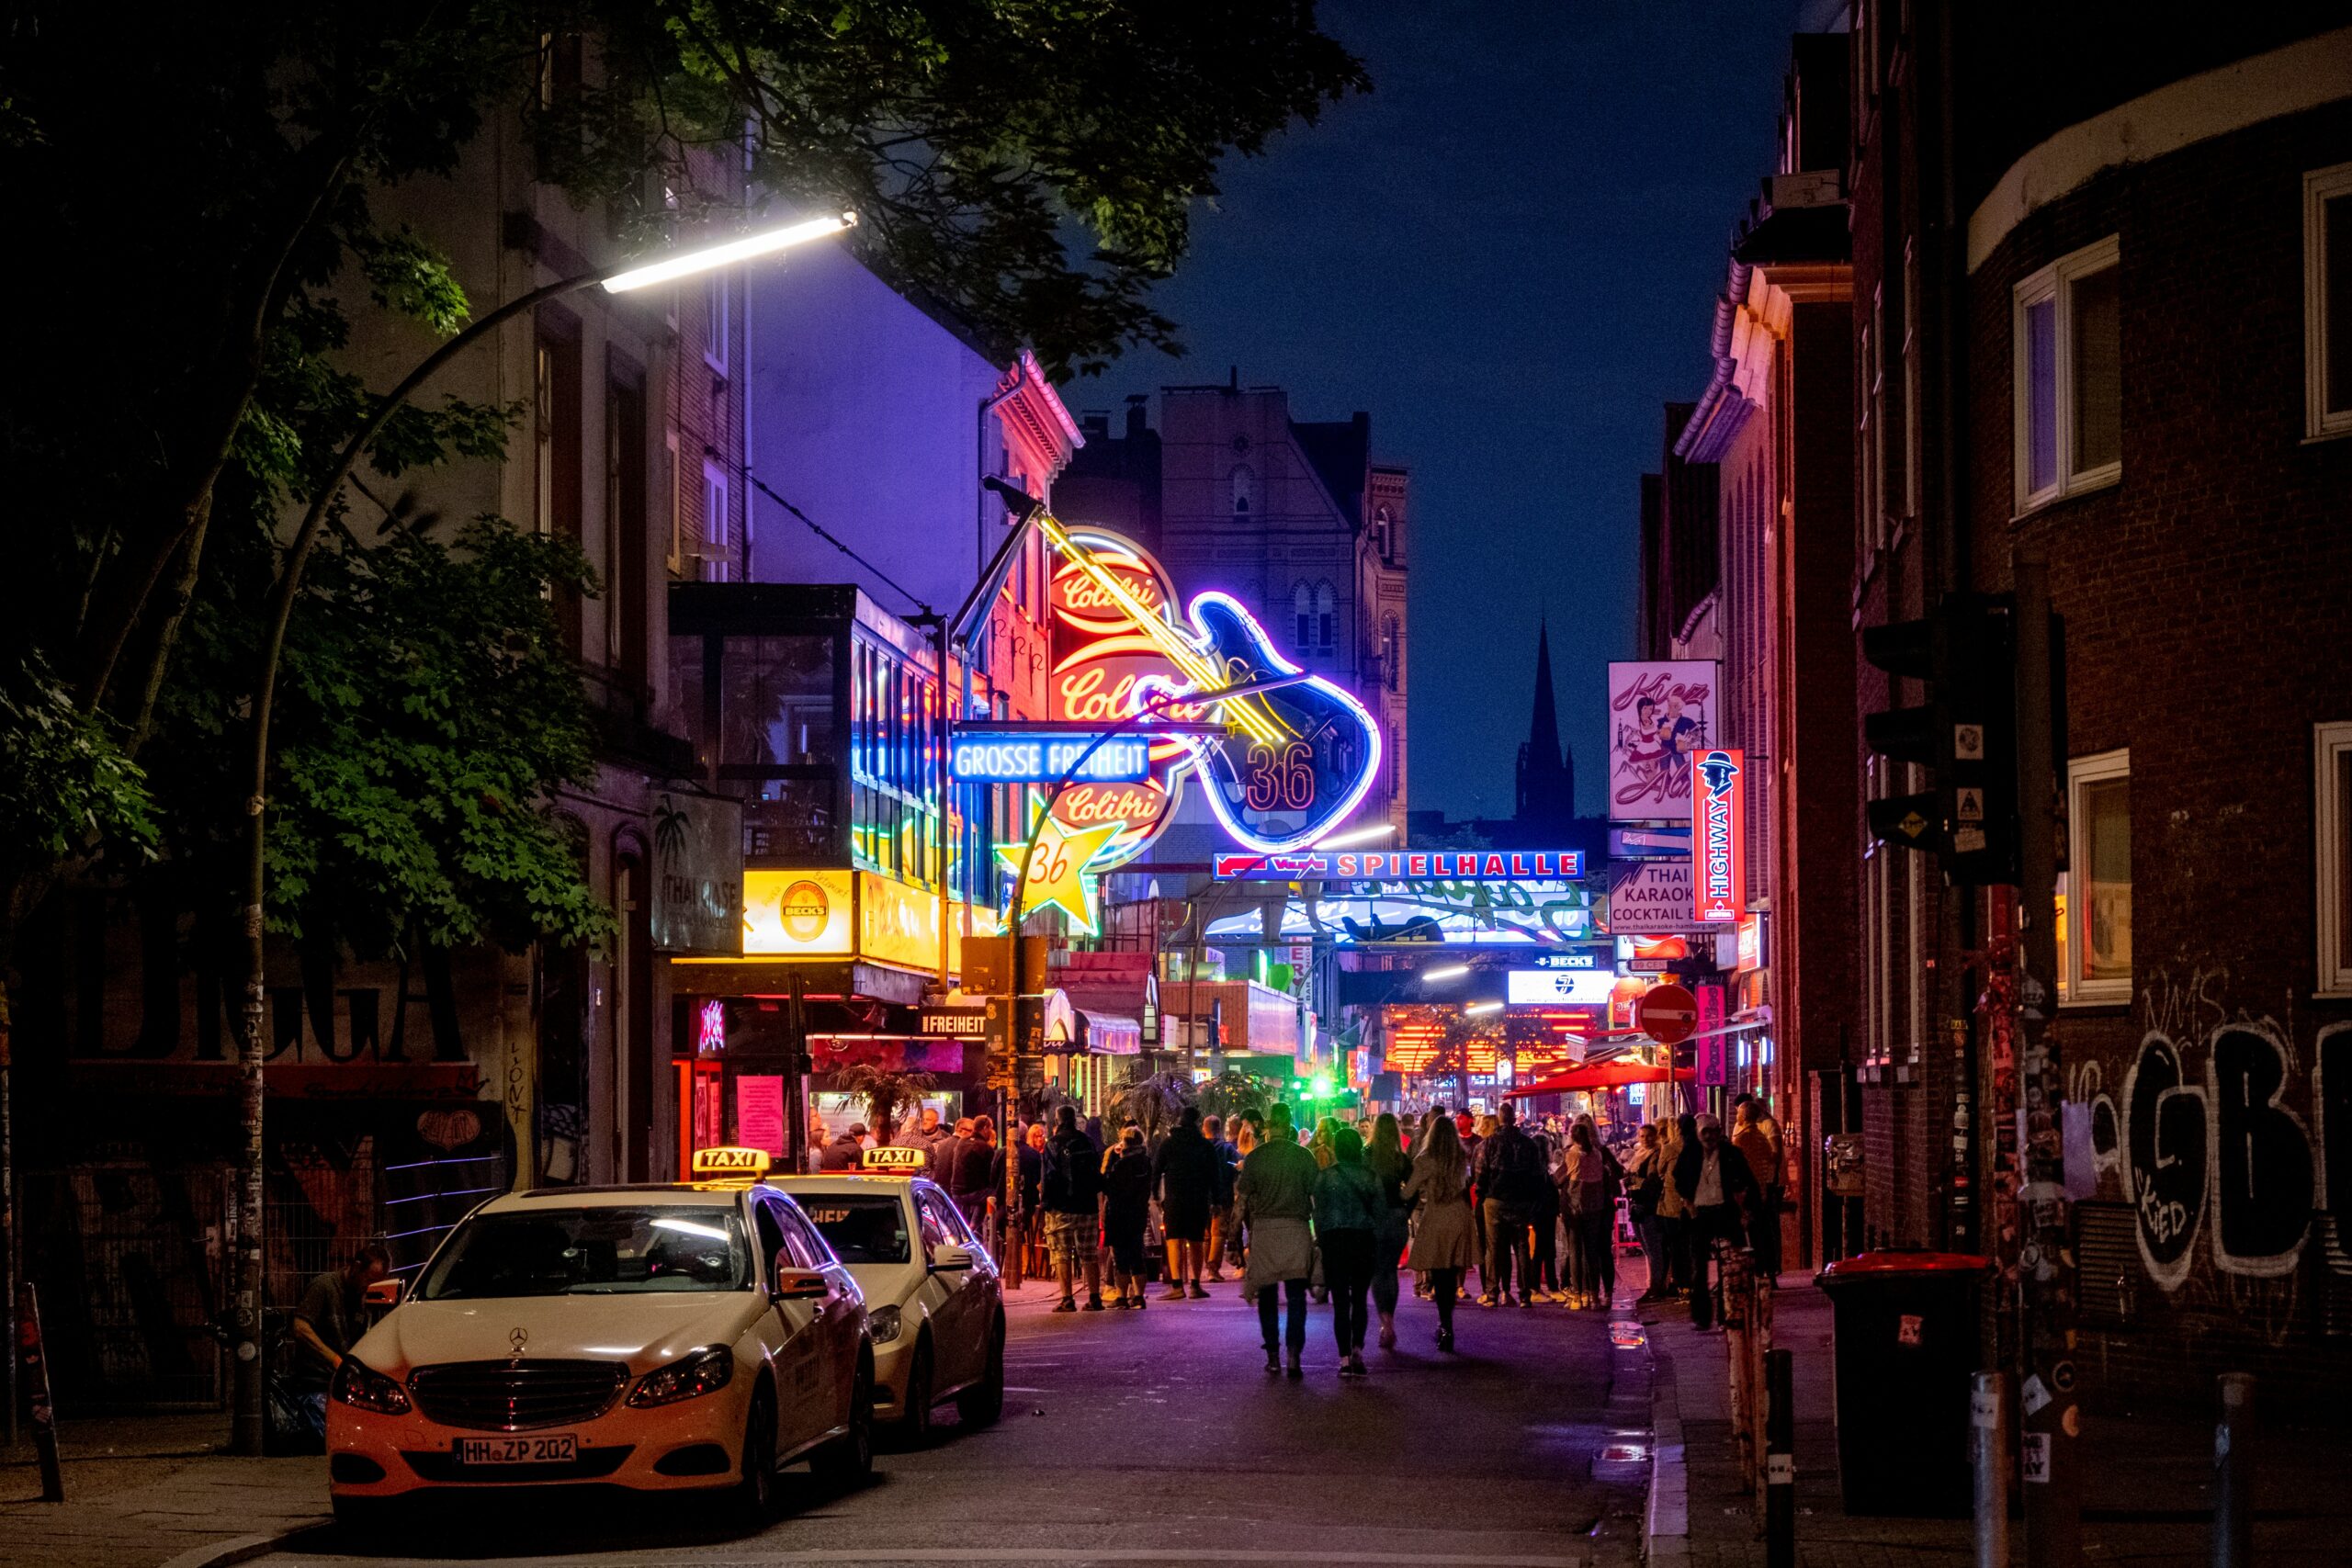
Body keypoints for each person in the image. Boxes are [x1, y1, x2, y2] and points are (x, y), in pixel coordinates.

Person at [1236, 1102, 1320, 1375]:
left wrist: (1231, 1236)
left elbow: (1242, 1201)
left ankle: (1273, 1354)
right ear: (1290, 1126)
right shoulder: (1304, 1156)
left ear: (1270, 1126)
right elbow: (1315, 1198)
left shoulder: (1256, 1158)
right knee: (1297, 1296)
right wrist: (1318, 1235)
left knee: (1268, 1295)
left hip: (1266, 1230)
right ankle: (1294, 1353)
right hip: (1296, 1229)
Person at [291, 1245, 391, 1438]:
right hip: (316, 1383)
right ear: (356, 1266)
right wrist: (334, 1360)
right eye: (369, 1280)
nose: (370, 1287)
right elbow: (300, 1327)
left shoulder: (364, 1298)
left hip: (345, 1384)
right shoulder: (324, 1286)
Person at [1677, 1112, 1760, 1329]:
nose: (1710, 1136)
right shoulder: (1690, 1154)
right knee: (1698, 1268)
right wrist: (1689, 1204)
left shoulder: (1731, 1154)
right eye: (1706, 1131)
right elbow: (1679, 1179)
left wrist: (1745, 1207)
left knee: (1729, 1266)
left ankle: (1727, 1314)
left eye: (1714, 1130)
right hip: (1700, 1214)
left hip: (1726, 1212)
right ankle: (1701, 1317)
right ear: (1698, 1132)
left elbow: (1748, 1181)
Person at [1313, 1127, 1384, 1377]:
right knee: (1360, 1299)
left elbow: (1318, 1213)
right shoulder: (1370, 1176)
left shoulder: (1325, 1177)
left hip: (1334, 1239)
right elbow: (1379, 1211)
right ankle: (1357, 1350)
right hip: (1362, 1239)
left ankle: (1343, 1360)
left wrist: (1321, 1239)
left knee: (1340, 1302)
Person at [1404, 1113, 1476, 1352]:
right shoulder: (1460, 1157)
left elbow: (1409, 1191)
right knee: (1452, 1273)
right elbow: (1466, 1184)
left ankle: (1444, 1324)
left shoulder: (1425, 1159)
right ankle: (1447, 1325)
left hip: (1436, 1215)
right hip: (1459, 1215)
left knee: (1439, 1273)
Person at [1473, 1102, 1545, 1308]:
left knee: (1494, 1248)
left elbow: (1480, 1172)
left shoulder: (1488, 1144)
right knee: (1521, 1247)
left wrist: (1482, 1193)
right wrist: (1532, 1201)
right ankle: (1524, 1293)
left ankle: (1492, 1292)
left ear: (1500, 1118)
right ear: (1514, 1119)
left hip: (1494, 1200)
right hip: (1520, 1202)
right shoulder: (1528, 1144)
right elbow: (1538, 1175)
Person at [1043, 1107, 1106, 1312]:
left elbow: (1049, 1177)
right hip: (1087, 1206)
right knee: (1088, 1253)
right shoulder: (1086, 1141)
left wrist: (1047, 1203)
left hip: (1062, 1207)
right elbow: (1097, 1172)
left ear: (1058, 1120)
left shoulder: (1053, 1144)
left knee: (1062, 1253)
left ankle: (1067, 1299)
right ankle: (1095, 1297)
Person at [1152, 1106, 1218, 1300]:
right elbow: (1215, 1175)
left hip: (1175, 1198)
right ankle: (1196, 1285)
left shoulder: (1169, 1144)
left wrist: (1156, 1194)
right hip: (1199, 1198)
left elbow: (1156, 1170)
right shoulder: (1205, 1146)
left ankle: (1177, 1285)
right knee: (1196, 1241)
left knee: (1174, 1240)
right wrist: (1216, 1200)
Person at [1560, 1119, 1622, 1308]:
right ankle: (1602, 1294)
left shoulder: (1572, 1154)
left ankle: (1580, 1294)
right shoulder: (1601, 1153)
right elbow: (1618, 1173)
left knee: (1578, 1250)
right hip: (1600, 1207)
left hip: (1578, 1207)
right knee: (1599, 1251)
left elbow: (1560, 1177)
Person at [1363, 1112, 1413, 1350]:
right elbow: (1413, 1188)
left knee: (1376, 1271)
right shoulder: (1400, 1160)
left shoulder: (1366, 1156)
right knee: (1390, 1271)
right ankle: (1389, 1319)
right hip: (1396, 1215)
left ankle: (1385, 1322)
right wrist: (1406, 1207)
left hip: (1374, 1217)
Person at [1101, 1127, 1154, 1309]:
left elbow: (1108, 1185)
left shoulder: (1122, 1164)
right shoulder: (1146, 1163)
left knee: (1121, 1258)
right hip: (1138, 1213)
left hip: (1119, 1214)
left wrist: (1116, 1158)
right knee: (1137, 1255)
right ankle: (1139, 1296)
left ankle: (1122, 1296)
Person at [1733, 1097, 1783, 1280]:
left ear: (1744, 1116)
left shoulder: (1742, 1139)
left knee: (1751, 1233)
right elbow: (1771, 1157)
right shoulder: (1761, 1137)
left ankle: (1756, 1270)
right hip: (1763, 1188)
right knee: (1763, 1231)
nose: (1736, 1115)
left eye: (1738, 1112)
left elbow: (1736, 1167)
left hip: (1748, 1191)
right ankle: (1768, 1270)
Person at [1626, 1122, 1673, 1302]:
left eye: (1649, 1136)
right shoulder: (1638, 1154)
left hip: (1649, 1205)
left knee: (1654, 1248)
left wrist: (1637, 1182)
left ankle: (1656, 1287)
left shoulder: (1656, 1153)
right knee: (1646, 1247)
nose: (1646, 1139)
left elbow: (1653, 1179)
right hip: (1636, 1204)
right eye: (1642, 1136)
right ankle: (1654, 1284)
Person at [1656, 1112, 1693, 1300]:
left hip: (1672, 1201)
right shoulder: (1697, 1147)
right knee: (1689, 1245)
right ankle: (1689, 1282)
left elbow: (1660, 1169)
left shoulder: (1669, 1148)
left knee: (1675, 1245)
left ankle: (1680, 1284)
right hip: (1693, 1202)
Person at [1009, 1121, 1047, 1289]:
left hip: (1036, 1201)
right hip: (1031, 1200)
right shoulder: (1032, 1155)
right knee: (1025, 1233)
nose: (1040, 1139)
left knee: (1038, 1233)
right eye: (1036, 1135)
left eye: (1042, 1135)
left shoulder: (1044, 1154)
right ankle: (1025, 1266)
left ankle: (1040, 1267)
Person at [1527, 1131, 1564, 1303]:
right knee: (1543, 1250)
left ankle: (1550, 1285)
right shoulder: (1539, 1171)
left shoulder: (1539, 1170)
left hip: (1543, 1212)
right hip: (1542, 1212)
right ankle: (1536, 1288)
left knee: (1547, 1250)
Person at [1203, 1113, 1239, 1281]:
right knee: (1218, 1232)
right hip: (1223, 1196)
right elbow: (1238, 1166)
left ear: (1205, 1129)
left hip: (1202, 1197)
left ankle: (1207, 1267)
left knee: (1206, 1234)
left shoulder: (1200, 1148)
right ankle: (1213, 1269)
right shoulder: (1227, 1148)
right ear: (1219, 1128)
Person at [952, 1115, 999, 1242]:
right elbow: (991, 1175)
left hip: (956, 1191)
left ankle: (968, 1229)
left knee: (983, 1193)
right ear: (985, 1128)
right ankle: (977, 1229)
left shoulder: (962, 1142)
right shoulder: (986, 1148)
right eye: (991, 1128)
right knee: (994, 1193)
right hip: (972, 1193)